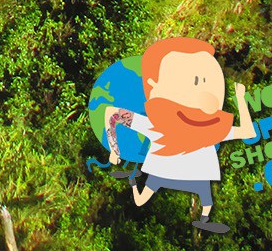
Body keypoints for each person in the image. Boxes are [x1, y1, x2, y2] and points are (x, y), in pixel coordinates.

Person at [104, 36, 257, 234]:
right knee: (143, 200)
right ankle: (133, 182)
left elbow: (247, 132)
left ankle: (202, 219)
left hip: (186, 175)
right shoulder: (159, 125)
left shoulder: (210, 129)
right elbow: (112, 113)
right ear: (155, 87)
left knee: (204, 201)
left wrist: (240, 99)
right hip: (165, 173)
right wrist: (114, 149)